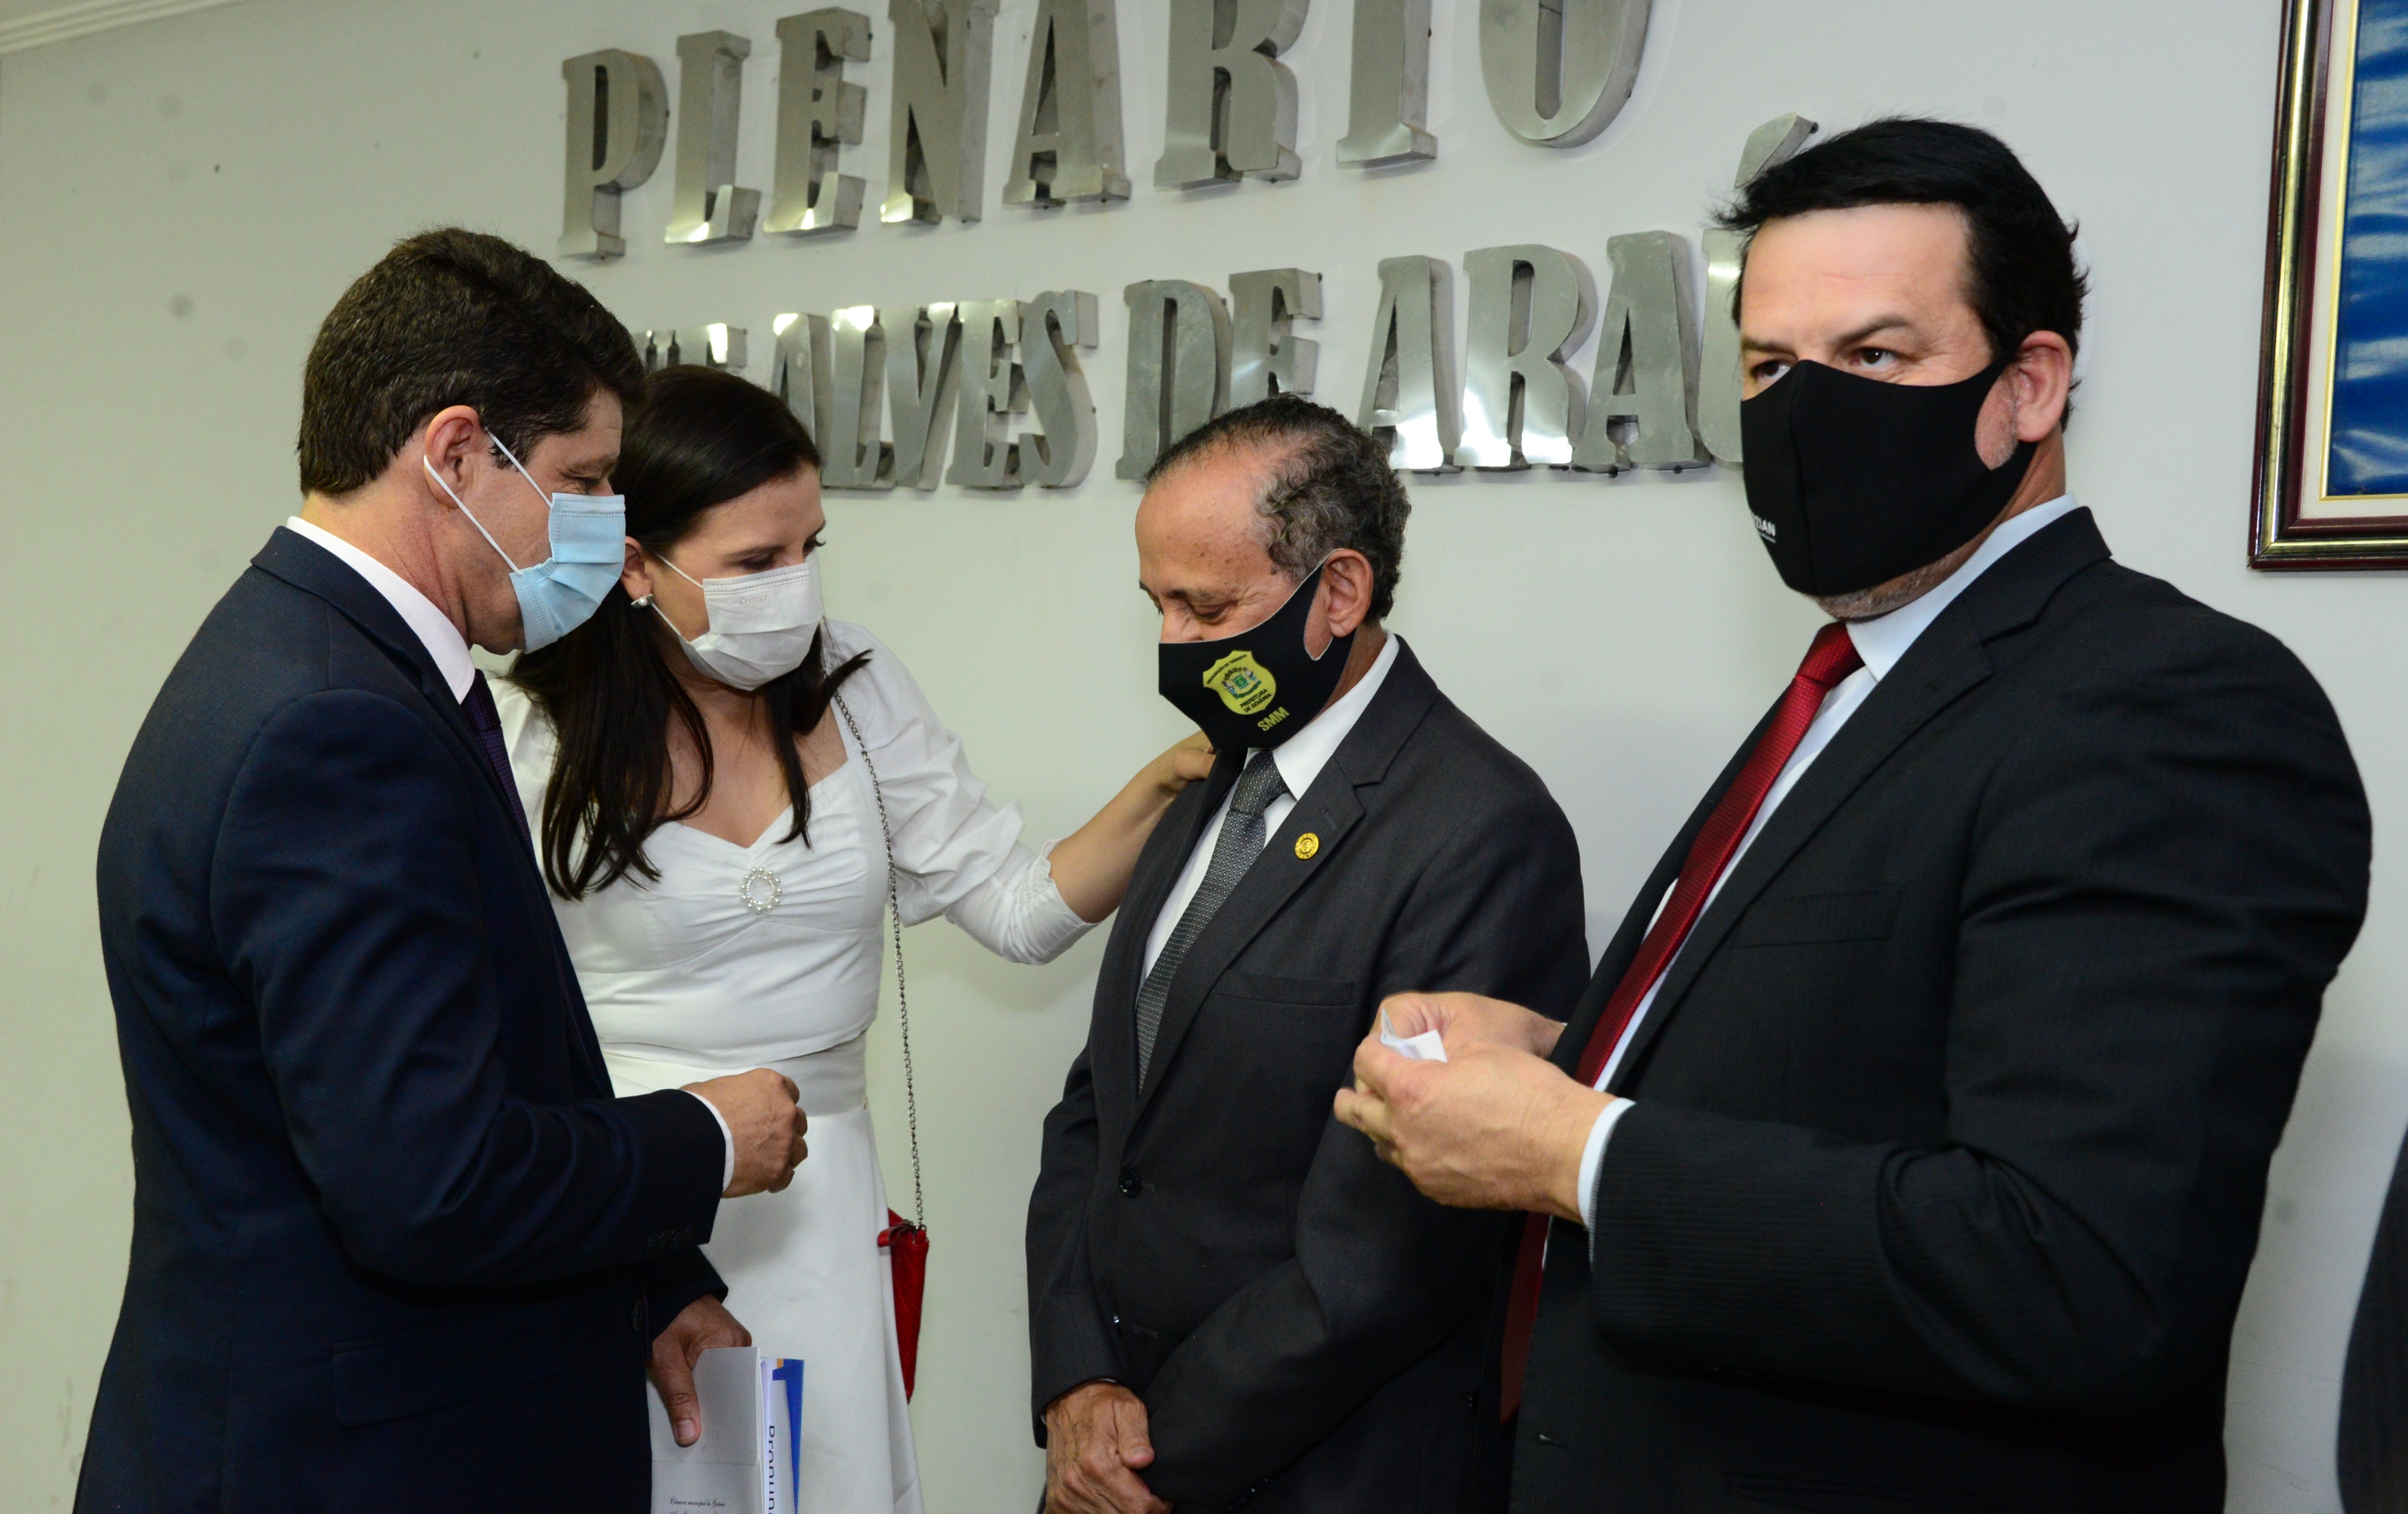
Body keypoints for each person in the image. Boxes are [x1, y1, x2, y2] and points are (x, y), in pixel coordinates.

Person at [1335, 118, 2374, 1513]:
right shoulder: (1860, 675)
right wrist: (1576, 1058)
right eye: (1771, 366)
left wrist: (1573, 1150)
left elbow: (2078, 1274)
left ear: (2028, 386)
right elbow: (1866, 1050)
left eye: (1876, 357)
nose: (1805, 413)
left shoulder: (2168, 706)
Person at [81, 230, 807, 1513]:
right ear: (458, 452)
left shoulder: (316, 658)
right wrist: (704, 1138)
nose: (607, 527)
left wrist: (653, 1280)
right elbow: (429, 1182)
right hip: (356, 1464)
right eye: (585, 478)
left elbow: (475, 1049)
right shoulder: (335, 725)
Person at [493, 364, 1213, 1514]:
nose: (796, 588)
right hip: (619, 1208)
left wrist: (1173, 781)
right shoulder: (534, 734)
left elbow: (1018, 908)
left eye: (809, 547)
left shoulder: (858, 689)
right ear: (636, 565)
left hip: (821, 1201)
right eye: (755, 562)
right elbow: (498, 1021)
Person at [1025, 395, 1591, 1514]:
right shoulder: (1213, 775)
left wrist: (1147, 1458)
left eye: (1206, 606)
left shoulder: (1482, 830)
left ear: (1339, 591)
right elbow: (1102, 1106)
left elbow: (1391, 1251)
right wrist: (1077, 1379)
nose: (1174, 644)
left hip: (1323, 1472)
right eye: (1156, 604)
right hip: (1111, 1445)